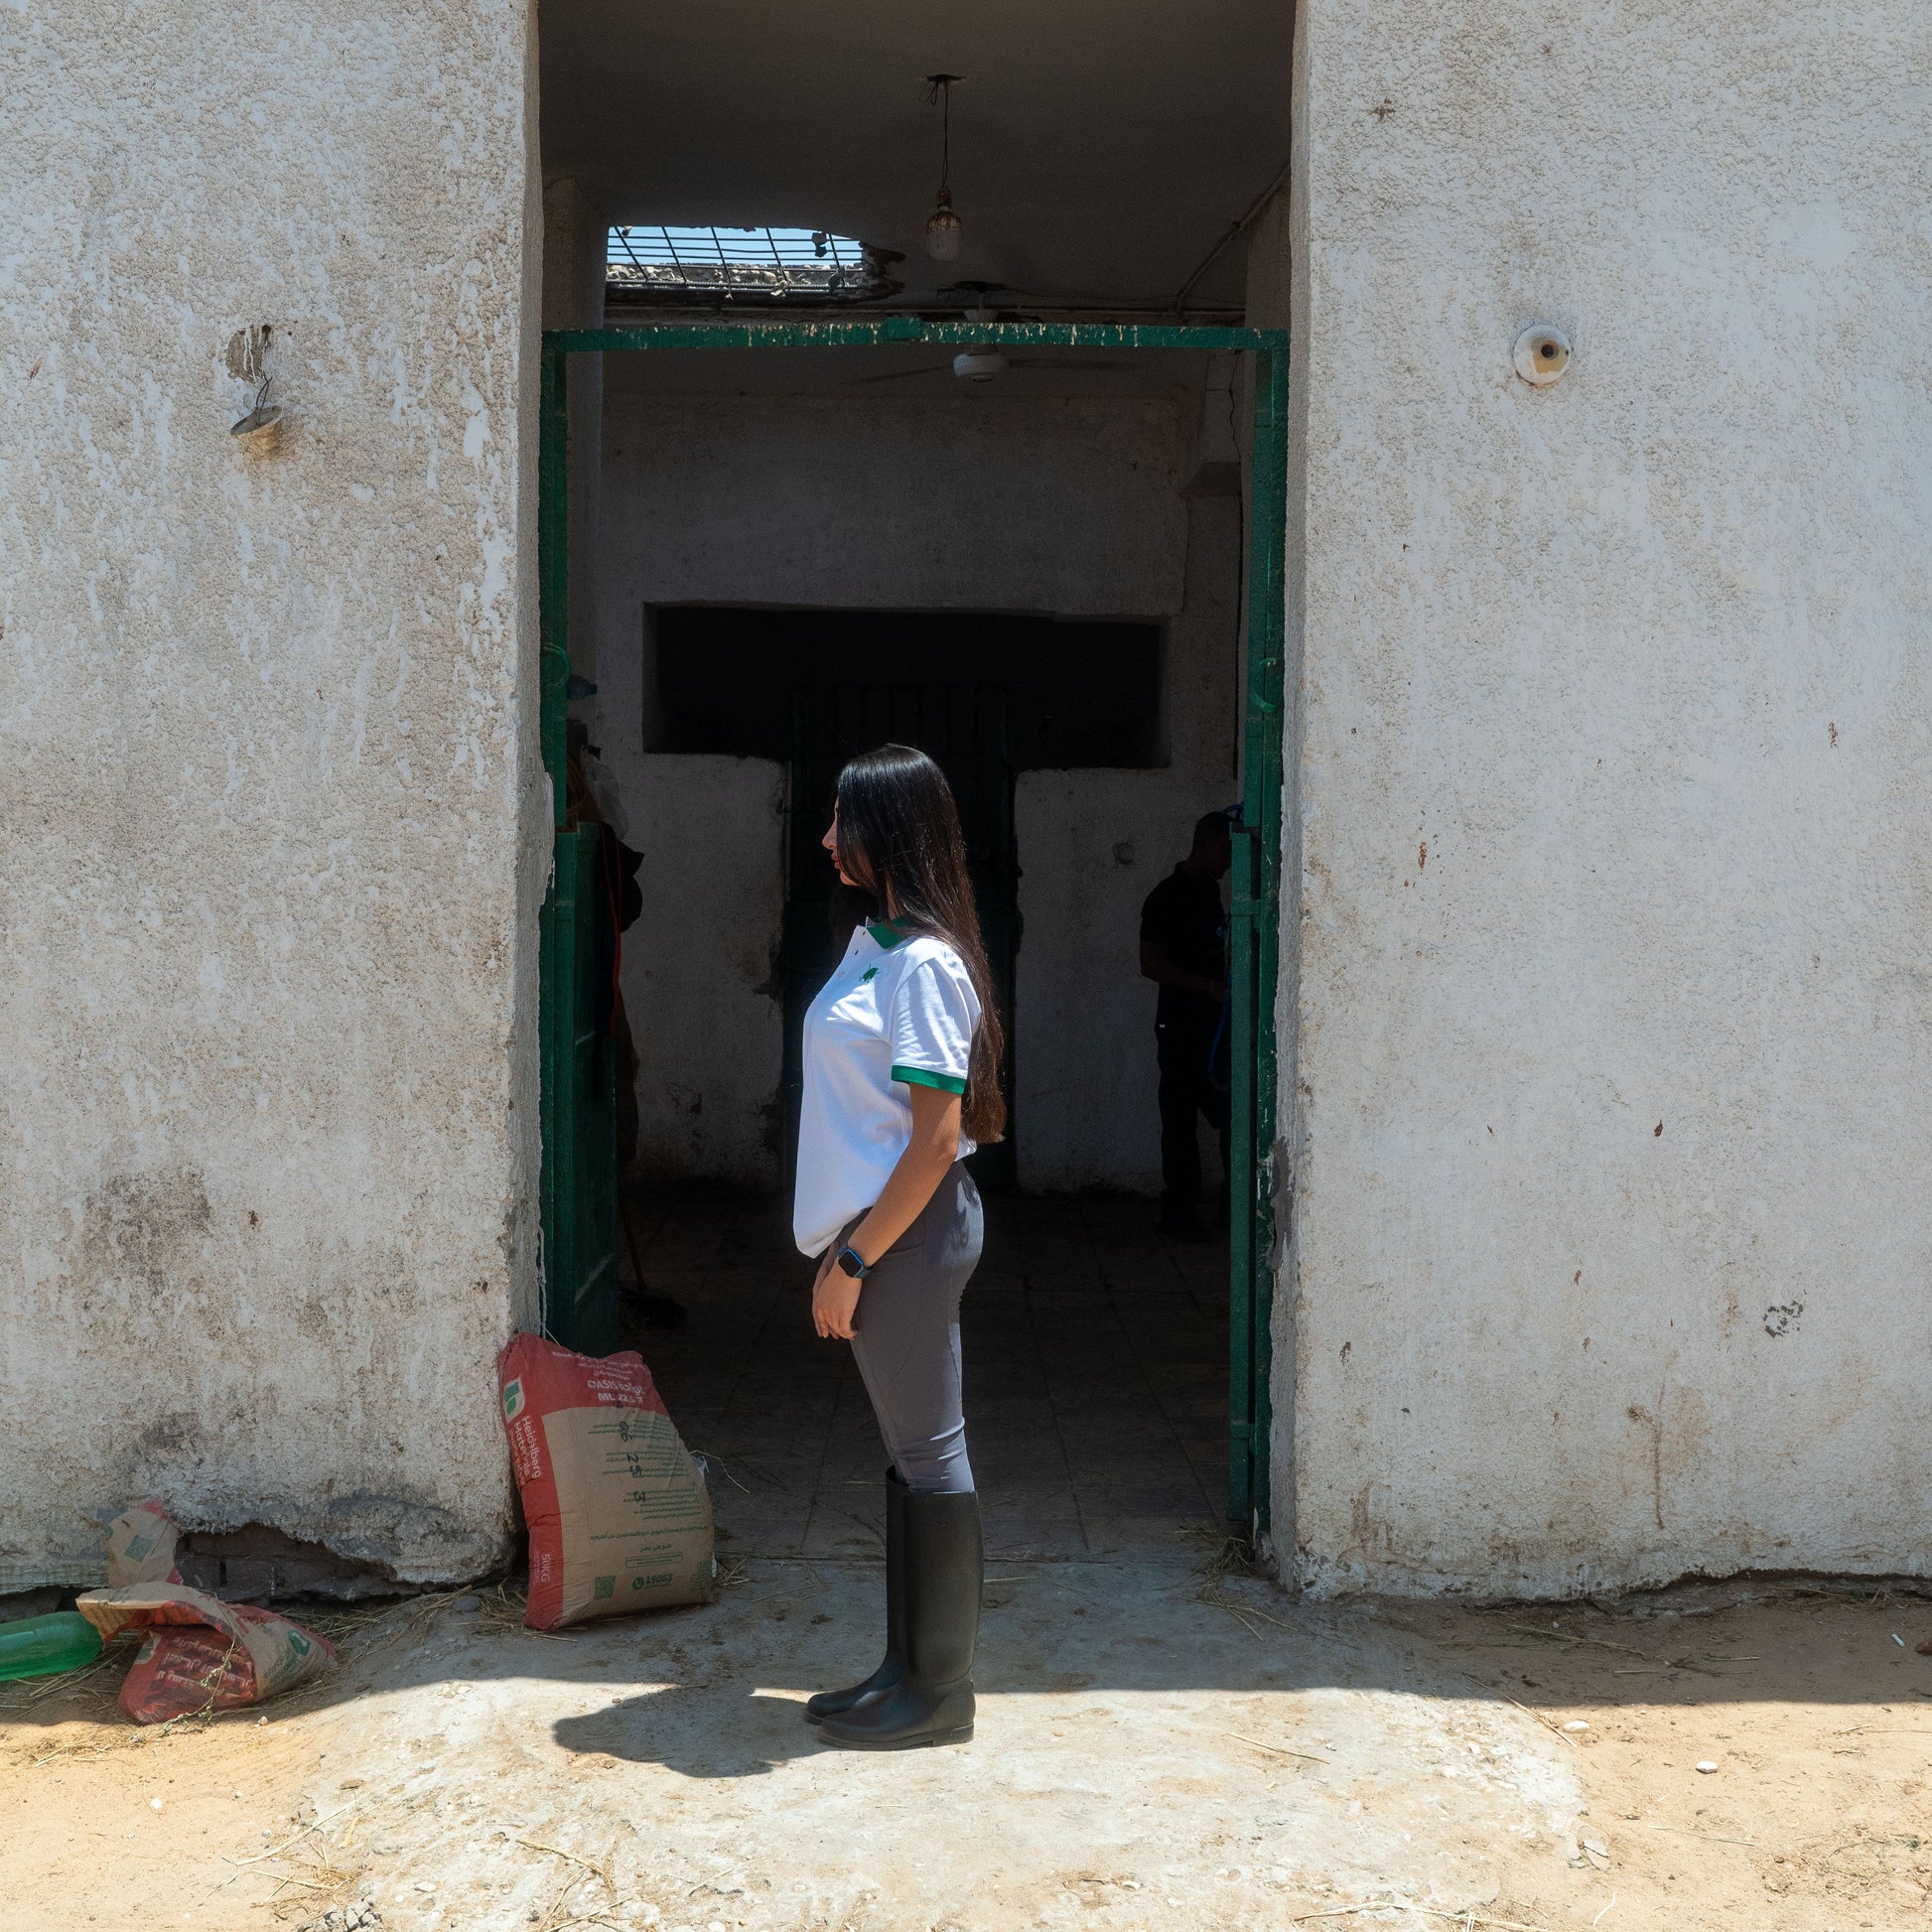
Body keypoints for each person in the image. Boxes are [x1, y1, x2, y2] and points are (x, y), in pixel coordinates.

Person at [793, 744, 1005, 1749]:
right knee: (909, 1453)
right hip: (887, 1231)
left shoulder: (922, 964)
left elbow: (930, 1139)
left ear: (886, 832)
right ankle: (903, 1667)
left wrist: (854, 1258)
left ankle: (940, 1692)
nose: (826, 835)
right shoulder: (872, 943)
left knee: (930, 1453)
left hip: (905, 1235)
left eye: (842, 818)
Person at [1139, 809, 1232, 1237]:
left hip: (1214, 1028)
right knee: (1179, 1121)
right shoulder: (1167, 896)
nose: (1229, 860)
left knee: (1231, 1117)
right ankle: (1180, 1216)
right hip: (1179, 1027)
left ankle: (1232, 1213)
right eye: (1226, 850)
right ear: (1206, 844)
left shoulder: (1211, 892)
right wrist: (1205, 986)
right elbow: (1150, 962)